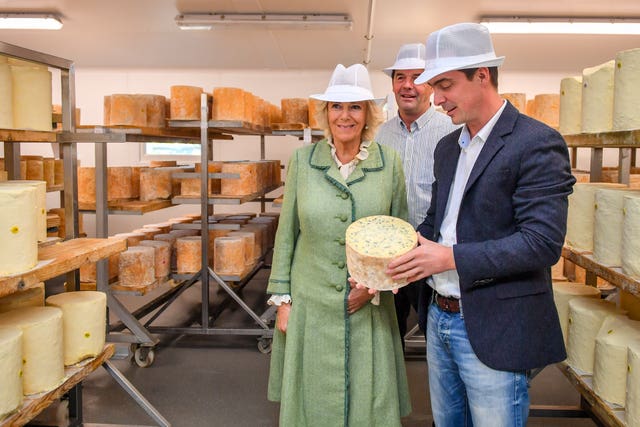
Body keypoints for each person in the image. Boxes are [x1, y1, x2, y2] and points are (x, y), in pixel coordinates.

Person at [386, 23, 576, 426]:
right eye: (434, 87)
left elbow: (541, 243)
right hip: (438, 317)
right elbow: (435, 223)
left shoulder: (536, 142)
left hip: (494, 323)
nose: (436, 100)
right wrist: (393, 259)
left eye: (445, 85)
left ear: (482, 75)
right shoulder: (448, 148)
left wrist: (448, 258)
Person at [266, 63, 411, 426]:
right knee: (311, 399)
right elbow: (287, 234)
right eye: (336, 106)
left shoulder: (389, 163)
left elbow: (402, 239)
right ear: (325, 113)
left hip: (369, 306)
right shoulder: (302, 161)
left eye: (355, 107)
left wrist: (374, 288)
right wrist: (282, 300)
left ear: (369, 115)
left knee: (368, 398)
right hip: (310, 302)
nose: (344, 116)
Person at [376, 43, 459, 347]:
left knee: (438, 334)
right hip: (389, 253)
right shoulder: (380, 135)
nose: (408, 85)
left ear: (432, 84)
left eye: (417, 77)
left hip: (431, 250)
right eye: (400, 77)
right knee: (387, 334)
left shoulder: (451, 131)